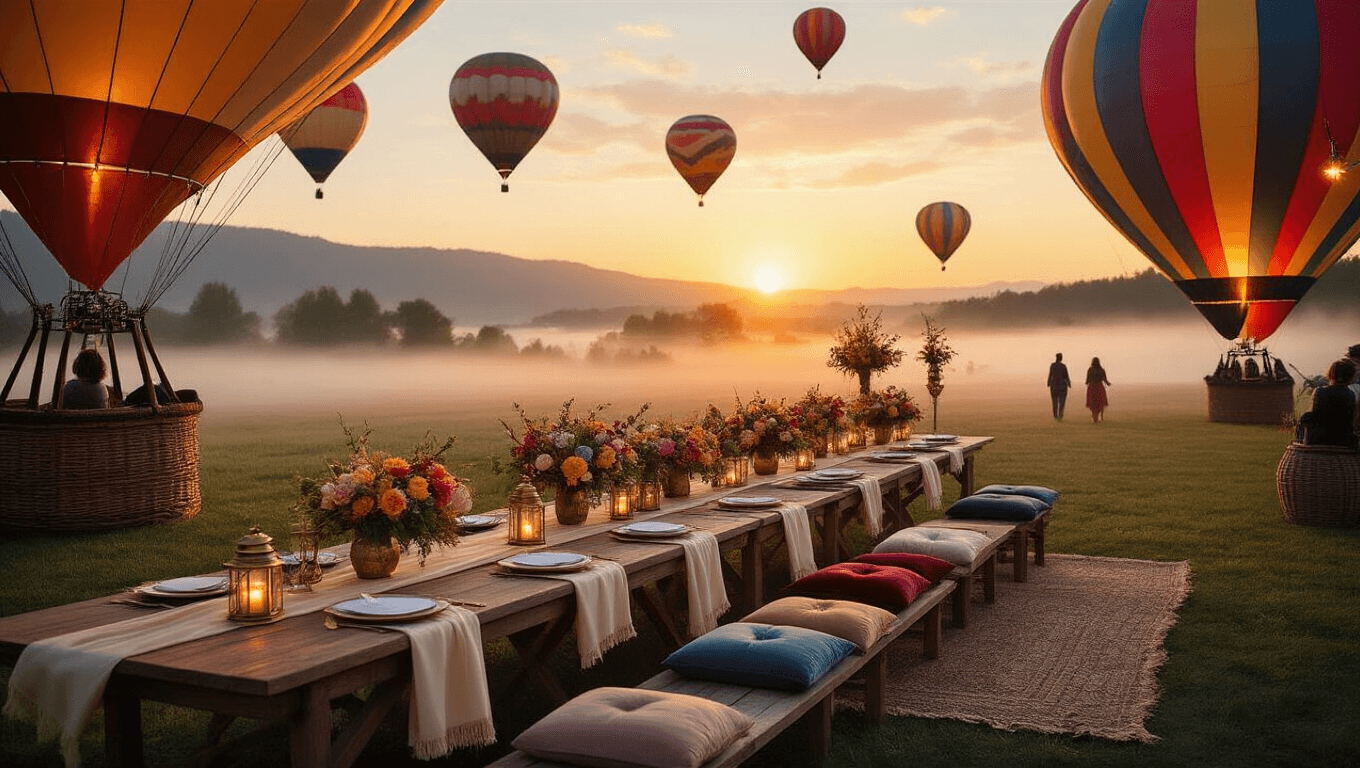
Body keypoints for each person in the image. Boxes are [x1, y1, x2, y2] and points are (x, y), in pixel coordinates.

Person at [1299, 358, 1357, 449]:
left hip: (1316, 439)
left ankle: (1301, 441)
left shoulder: (1319, 391)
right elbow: (1352, 421)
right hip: (1343, 441)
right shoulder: (1350, 395)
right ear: (1350, 377)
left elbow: (1313, 413)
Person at [1085, 356, 1111, 423]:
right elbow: (1105, 379)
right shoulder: (1101, 370)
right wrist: (1108, 383)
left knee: (1093, 403)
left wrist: (1087, 382)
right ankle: (1098, 417)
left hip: (1092, 387)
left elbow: (1087, 380)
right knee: (1100, 402)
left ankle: (1094, 417)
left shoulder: (1090, 370)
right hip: (1099, 387)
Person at [1047, 352, 1072, 421]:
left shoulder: (1053, 365)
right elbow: (1066, 376)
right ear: (1061, 358)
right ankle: (1060, 414)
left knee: (1054, 401)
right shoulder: (1063, 366)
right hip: (1062, 386)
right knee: (1062, 402)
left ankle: (1055, 415)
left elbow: (1050, 374)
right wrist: (1069, 383)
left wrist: (1048, 382)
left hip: (1054, 385)